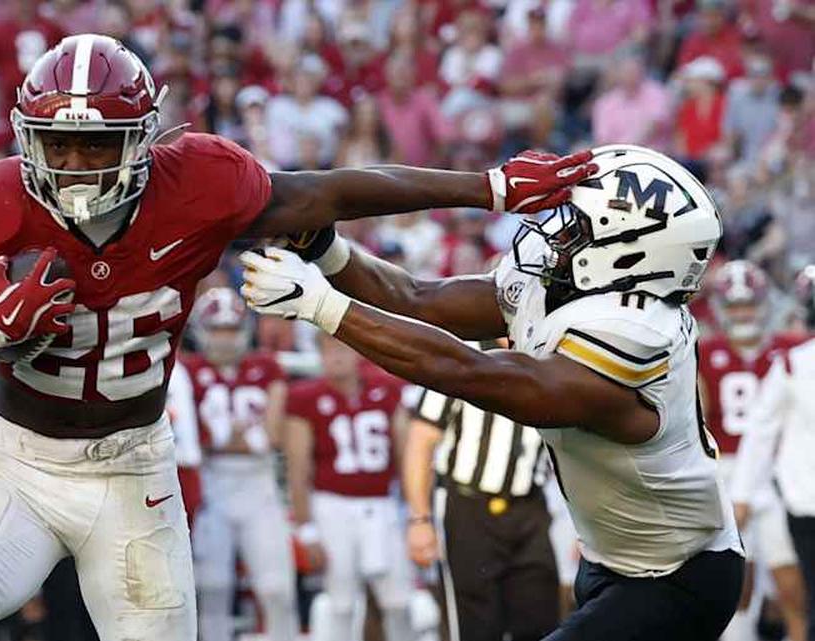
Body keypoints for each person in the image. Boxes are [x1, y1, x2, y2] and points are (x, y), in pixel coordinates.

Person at [0, 33, 591, 641]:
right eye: (58, 142)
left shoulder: (200, 181)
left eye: (97, 142)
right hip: (19, 464)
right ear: (27, 137)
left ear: (140, 138)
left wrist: (489, 186)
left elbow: (335, 192)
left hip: (131, 469)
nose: (75, 162)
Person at [241, 144, 745, 640]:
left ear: (629, 253)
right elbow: (418, 299)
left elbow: (469, 372)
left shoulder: (634, 334)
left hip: (679, 575)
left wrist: (321, 307)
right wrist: (326, 251)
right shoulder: (574, 292)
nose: (553, 234)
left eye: (576, 226)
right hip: (614, 561)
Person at [406, 340, 558, 641]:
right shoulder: (464, 355)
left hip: (530, 506)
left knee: (542, 622)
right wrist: (419, 520)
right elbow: (421, 440)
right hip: (469, 506)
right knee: (477, 624)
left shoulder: (550, 355)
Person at [697, 260, 809, 641]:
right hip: (726, 471)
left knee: (791, 581)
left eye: (748, 304)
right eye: (734, 305)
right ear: (720, 308)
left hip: (780, 474)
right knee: (737, 583)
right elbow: (699, 418)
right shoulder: (703, 352)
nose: (742, 313)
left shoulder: (791, 351)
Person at [182, 287, 297, 641]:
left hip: (259, 487)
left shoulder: (265, 366)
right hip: (212, 488)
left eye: (231, 330)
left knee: (277, 589)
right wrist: (240, 439)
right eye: (218, 330)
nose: (225, 340)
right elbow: (196, 440)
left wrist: (224, 440)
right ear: (202, 332)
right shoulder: (187, 371)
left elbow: (274, 435)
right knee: (213, 588)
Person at [285, 332, 413, 641]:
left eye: (342, 347)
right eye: (328, 349)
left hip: (383, 505)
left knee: (399, 601)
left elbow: (406, 456)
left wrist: (415, 513)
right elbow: (298, 468)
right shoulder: (306, 397)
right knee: (340, 603)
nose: (336, 356)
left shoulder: (387, 391)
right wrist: (307, 529)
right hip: (332, 506)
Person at [731, 310, 815, 641]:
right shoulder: (796, 364)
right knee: (803, 596)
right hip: (806, 498)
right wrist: (741, 493)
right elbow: (761, 430)